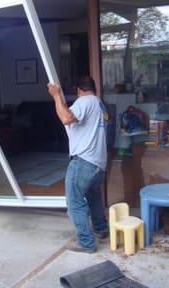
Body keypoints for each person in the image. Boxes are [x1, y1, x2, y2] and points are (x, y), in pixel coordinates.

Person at [47, 76, 109, 253]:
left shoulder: (85, 101)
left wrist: (56, 95)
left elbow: (66, 118)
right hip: (99, 164)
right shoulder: (99, 104)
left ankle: (86, 242)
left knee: (74, 202)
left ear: (79, 90)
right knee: (94, 197)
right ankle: (100, 229)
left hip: (84, 161)